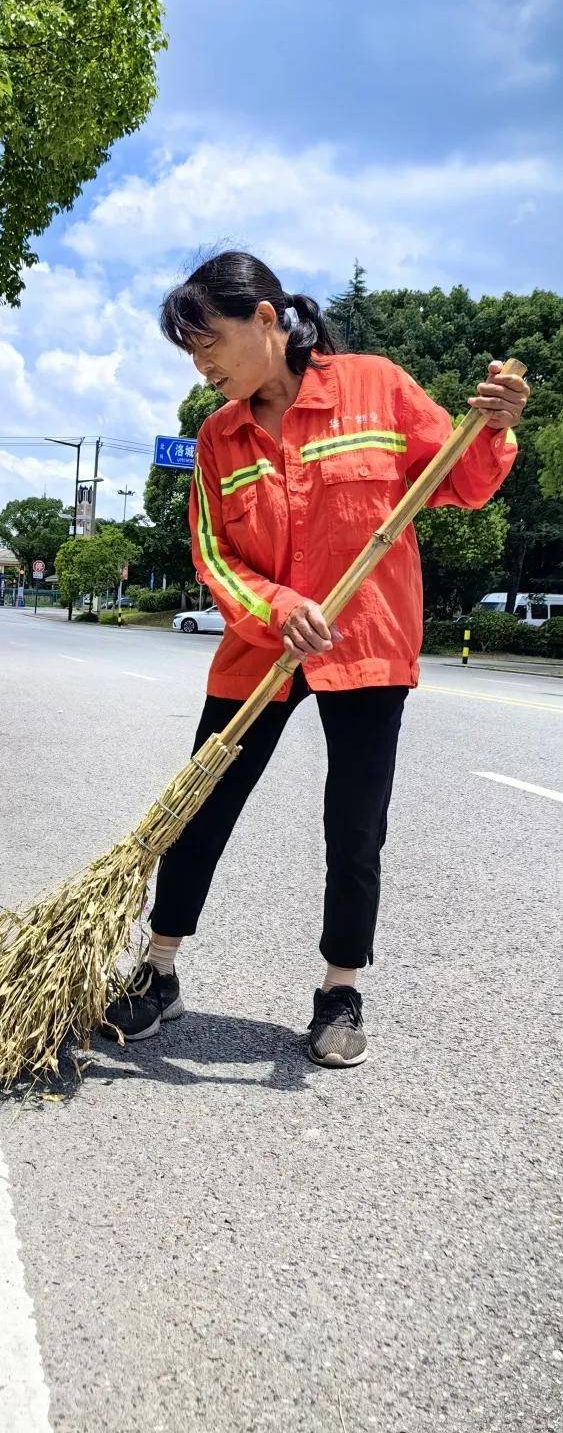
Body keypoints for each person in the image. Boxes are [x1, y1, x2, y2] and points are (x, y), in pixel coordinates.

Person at [105, 251, 529, 1068]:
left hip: (365, 644)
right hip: (258, 650)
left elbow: (462, 483)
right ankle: (158, 970)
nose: (202, 368)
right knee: (200, 805)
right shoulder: (217, 437)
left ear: (265, 319)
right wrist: (276, 606)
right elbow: (212, 553)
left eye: (209, 343)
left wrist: (493, 427)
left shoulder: (376, 387)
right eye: (190, 354)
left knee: (354, 825)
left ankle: (340, 990)